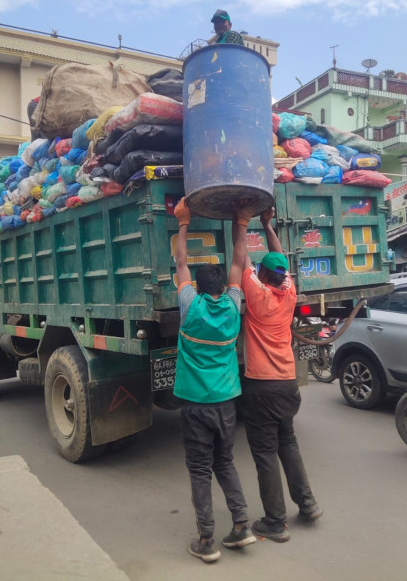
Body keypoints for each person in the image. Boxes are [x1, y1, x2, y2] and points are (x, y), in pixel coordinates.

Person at [173, 197, 255, 563]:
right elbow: (239, 261)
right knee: (225, 463)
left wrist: (183, 224)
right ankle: (241, 525)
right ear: (224, 286)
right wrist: (241, 223)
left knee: (200, 470)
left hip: (195, 404)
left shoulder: (190, 306)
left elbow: (180, 262)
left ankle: (206, 540)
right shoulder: (234, 307)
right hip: (225, 404)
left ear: (198, 286)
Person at [240, 207, 322, 543]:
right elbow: (280, 257)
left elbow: (240, 256)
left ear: (262, 274)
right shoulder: (288, 292)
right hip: (287, 385)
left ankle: (275, 521)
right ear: (283, 276)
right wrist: (267, 225)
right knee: (287, 442)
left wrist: (240, 222)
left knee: (264, 453)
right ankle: (308, 504)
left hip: (261, 387)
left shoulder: (257, 295)